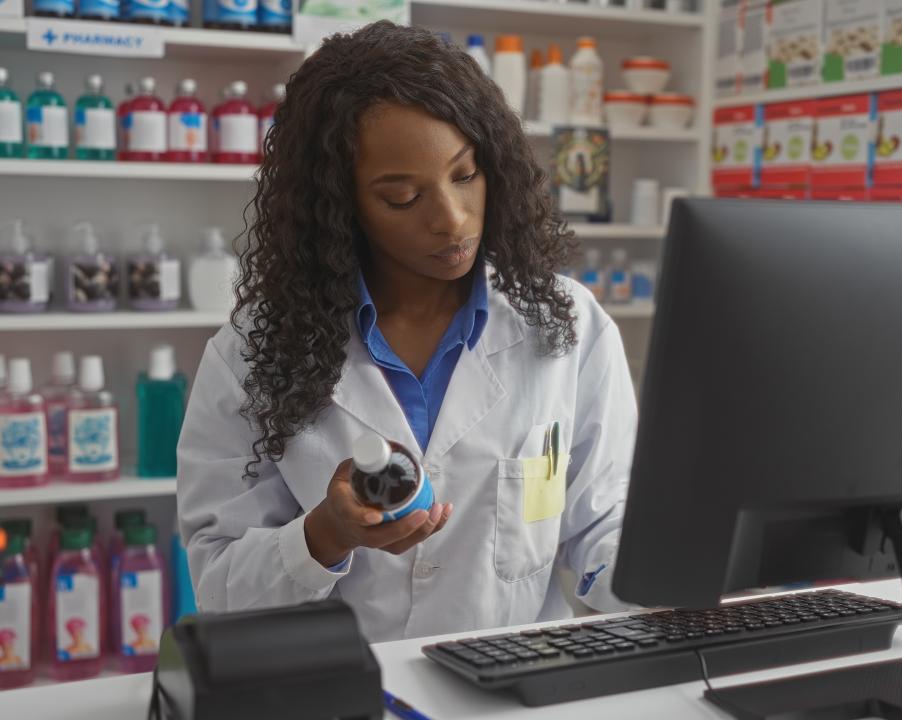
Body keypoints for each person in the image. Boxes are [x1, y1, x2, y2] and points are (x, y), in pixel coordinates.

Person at [177, 21, 637, 643]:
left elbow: (602, 525)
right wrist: (325, 536)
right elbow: (220, 585)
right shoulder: (252, 354)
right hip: (342, 692)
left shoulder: (567, 326)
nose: (451, 220)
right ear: (341, 207)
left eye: (465, 175)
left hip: (511, 690)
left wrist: (692, 596)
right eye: (400, 198)